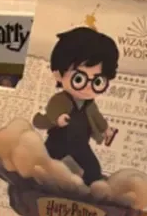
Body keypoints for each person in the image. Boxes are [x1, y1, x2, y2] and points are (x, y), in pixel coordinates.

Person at [32, 26, 118, 187]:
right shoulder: (61, 99)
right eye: (79, 79)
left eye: (98, 81)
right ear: (58, 74)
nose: (88, 87)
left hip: (80, 144)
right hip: (58, 141)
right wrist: (58, 119)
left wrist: (106, 129)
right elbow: (53, 110)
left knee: (93, 169)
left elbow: (97, 118)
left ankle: (90, 189)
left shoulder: (90, 105)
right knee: (45, 164)